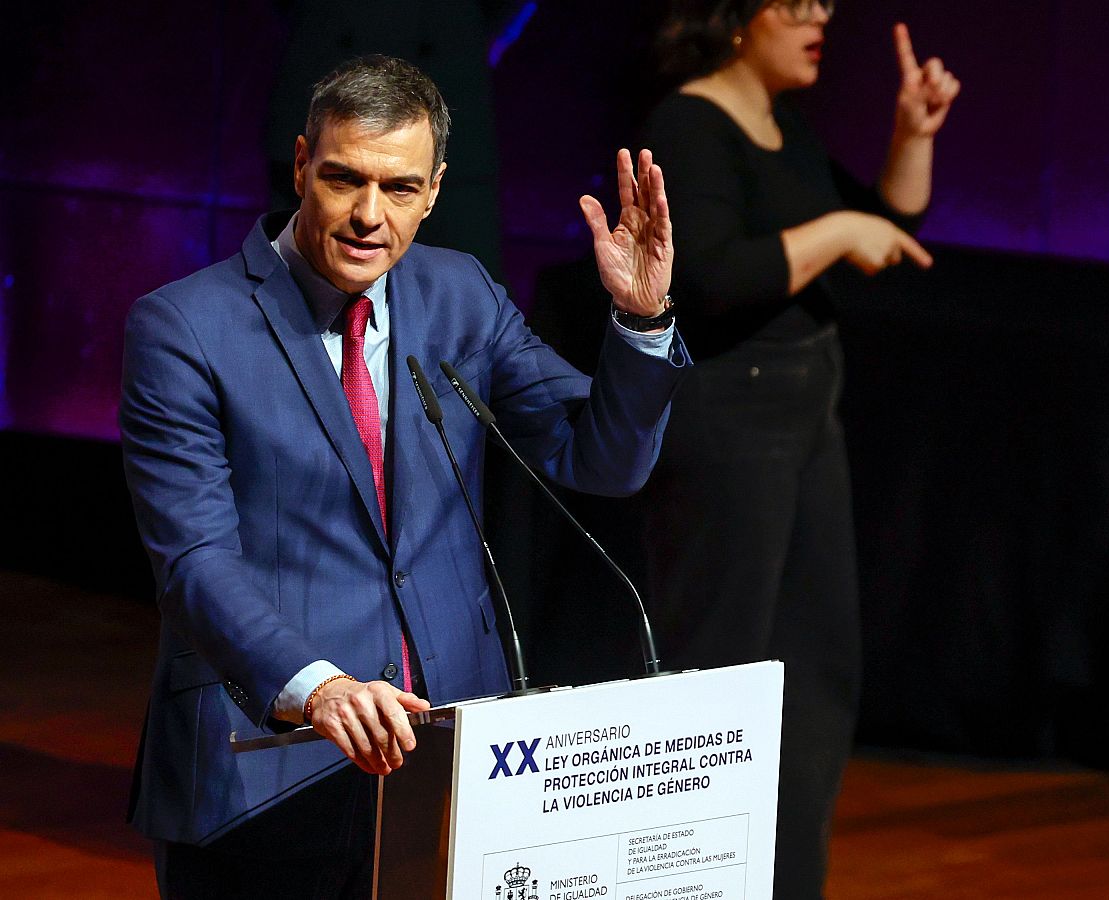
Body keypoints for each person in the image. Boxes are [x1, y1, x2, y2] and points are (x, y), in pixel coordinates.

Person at [121, 55, 686, 898]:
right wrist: (320, 687)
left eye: (399, 188)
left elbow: (599, 459)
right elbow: (196, 561)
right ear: (303, 161)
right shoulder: (184, 327)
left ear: (434, 190)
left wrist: (642, 322)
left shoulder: (461, 293)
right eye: (344, 179)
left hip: (453, 758)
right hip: (268, 760)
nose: (367, 215)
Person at [637, 2, 959, 895]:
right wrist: (842, 236)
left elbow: (887, 220)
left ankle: (784, 882)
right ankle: (692, 875)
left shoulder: (781, 124)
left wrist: (911, 132)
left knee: (815, 669)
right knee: (717, 667)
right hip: (733, 418)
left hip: (806, 413)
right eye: (797, 2)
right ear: (736, 16)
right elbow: (712, 272)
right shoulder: (687, 121)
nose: (821, 17)